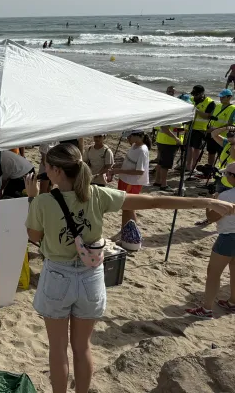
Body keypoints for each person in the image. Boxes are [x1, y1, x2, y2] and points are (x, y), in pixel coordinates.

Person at [25, 143, 235, 393]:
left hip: (57, 275)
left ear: (57, 171)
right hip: (90, 277)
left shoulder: (43, 202)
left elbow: (35, 236)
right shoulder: (97, 194)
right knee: (82, 348)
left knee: (58, 348)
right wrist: (205, 202)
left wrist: (31, 196)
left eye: (47, 167)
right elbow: (153, 202)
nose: (45, 171)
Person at [186, 163, 235, 319]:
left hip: (228, 237)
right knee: (234, 269)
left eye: (227, 174)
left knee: (213, 273)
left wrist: (210, 203)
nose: (226, 177)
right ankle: (233, 302)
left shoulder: (226, 196)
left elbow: (211, 218)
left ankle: (206, 309)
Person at [109, 130, 151, 228]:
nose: (127, 139)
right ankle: (129, 226)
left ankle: (130, 228)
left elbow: (140, 171)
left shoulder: (142, 150)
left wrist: (119, 171)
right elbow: (129, 163)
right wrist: (118, 166)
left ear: (137, 136)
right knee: (126, 206)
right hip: (125, 180)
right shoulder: (134, 146)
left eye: (129, 137)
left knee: (128, 206)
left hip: (132, 183)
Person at [186, 85, 217, 173]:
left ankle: (194, 167)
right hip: (190, 127)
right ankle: (187, 166)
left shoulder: (210, 102)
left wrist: (196, 110)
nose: (195, 96)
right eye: (194, 94)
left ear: (202, 93)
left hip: (201, 129)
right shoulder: (191, 99)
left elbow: (208, 116)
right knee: (188, 147)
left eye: (197, 94)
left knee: (197, 149)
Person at [153, 122, 184, 191]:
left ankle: (157, 181)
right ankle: (164, 184)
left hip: (165, 141)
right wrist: (176, 138)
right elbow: (164, 128)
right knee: (165, 165)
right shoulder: (172, 114)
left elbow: (174, 128)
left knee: (161, 162)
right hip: (168, 142)